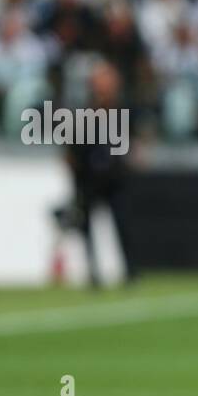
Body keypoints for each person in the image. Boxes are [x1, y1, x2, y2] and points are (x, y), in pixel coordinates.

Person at [67, 61, 136, 286]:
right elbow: (73, 147)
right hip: (89, 179)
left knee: (123, 224)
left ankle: (130, 270)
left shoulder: (123, 109)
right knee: (87, 226)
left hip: (115, 177)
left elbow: (135, 139)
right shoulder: (84, 113)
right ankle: (93, 271)